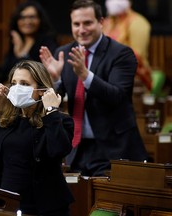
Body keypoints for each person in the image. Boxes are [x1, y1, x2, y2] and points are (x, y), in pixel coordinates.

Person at [39, 0, 148, 177]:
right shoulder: (64, 53)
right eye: (76, 24)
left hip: (113, 149)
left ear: (101, 22)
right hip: (77, 148)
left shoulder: (121, 54)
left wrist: (85, 75)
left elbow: (117, 96)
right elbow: (53, 103)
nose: (81, 30)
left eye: (87, 23)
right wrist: (56, 80)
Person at [0, 60, 74, 215]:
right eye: (14, 83)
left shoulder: (59, 120)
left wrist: (51, 111)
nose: (17, 88)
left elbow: (58, 150)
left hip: (44, 208)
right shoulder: (4, 121)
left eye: (25, 84)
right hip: (5, 204)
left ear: (41, 90)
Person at [0, 1, 58, 84]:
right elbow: (3, 76)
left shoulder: (47, 42)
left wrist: (21, 54)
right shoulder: (16, 41)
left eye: (32, 17)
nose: (27, 21)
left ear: (40, 20)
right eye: (22, 17)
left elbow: (40, 73)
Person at [103, 0, 152, 91]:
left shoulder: (138, 22)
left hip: (133, 79)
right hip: (106, 77)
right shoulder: (107, 22)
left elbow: (136, 56)